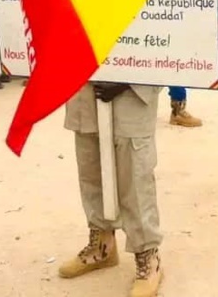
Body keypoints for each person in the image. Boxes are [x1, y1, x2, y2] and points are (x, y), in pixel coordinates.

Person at [58, 81, 163, 297]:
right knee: (91, 167)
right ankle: (102, 246)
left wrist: (123, 79)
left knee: (134, 174)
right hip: (85, 82)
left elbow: (167, 50)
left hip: (133, 86)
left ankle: (148, 256)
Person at [166, 0, 203, 128]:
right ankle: (178, 110)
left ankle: (177, 106)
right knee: (175, 63)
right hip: (168, 15)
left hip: (180, 17)